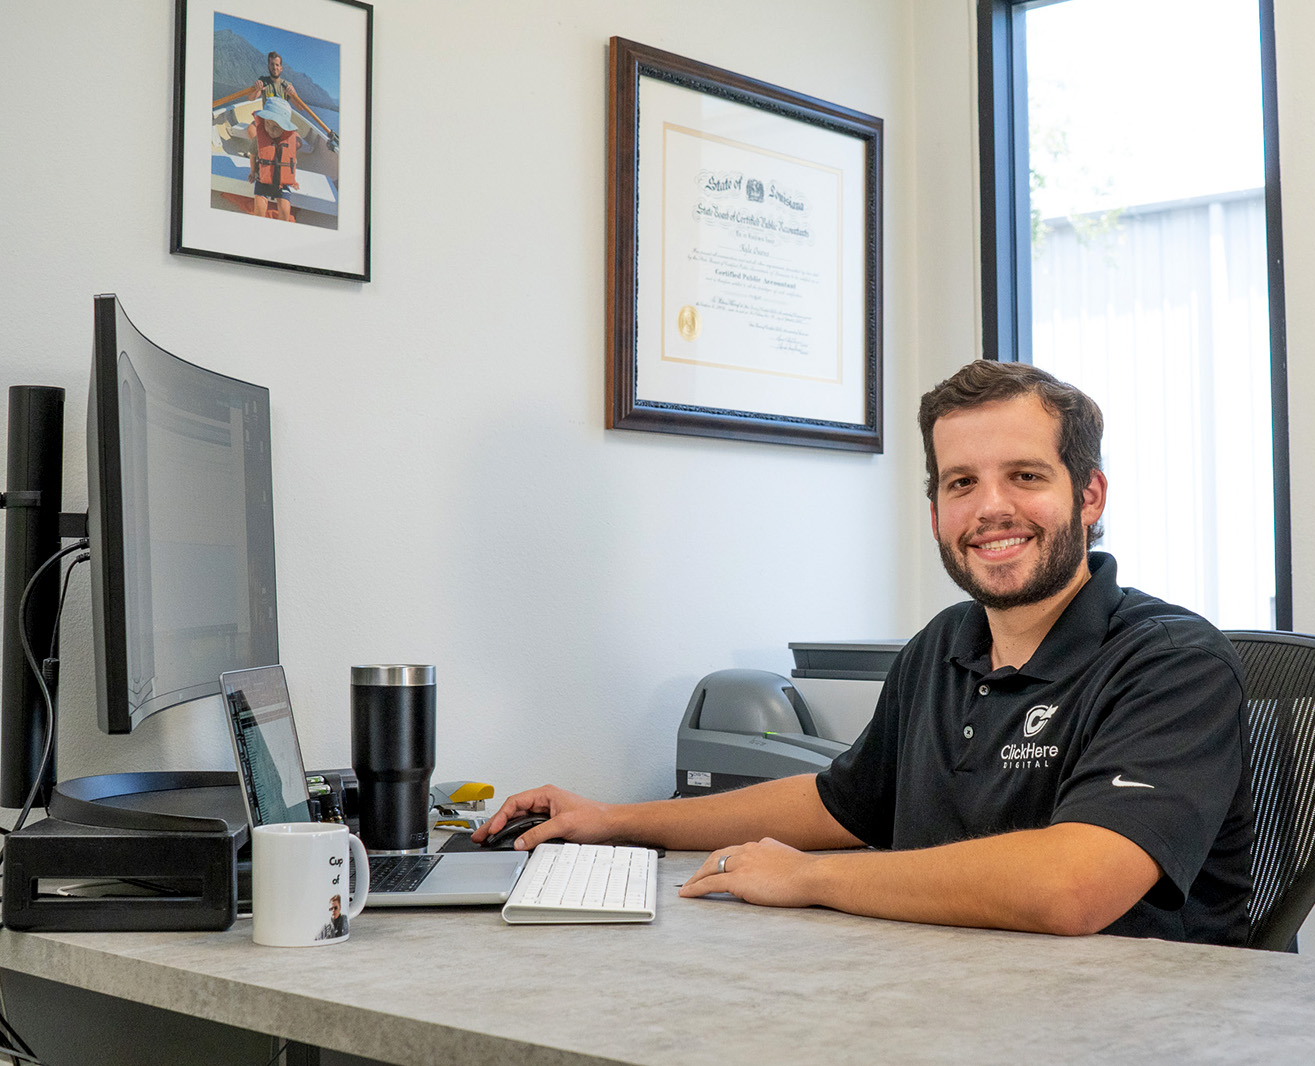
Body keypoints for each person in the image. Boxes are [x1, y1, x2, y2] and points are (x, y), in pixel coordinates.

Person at [475, 360, 1253, 944]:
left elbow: (1070, 888)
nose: (990, 509)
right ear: (934, 509)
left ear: (1090, 495)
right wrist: (617, 819)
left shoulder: (1172, 662)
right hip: (956, 1003)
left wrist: (809, 878)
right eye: (960, 483)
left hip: (1134, 1029)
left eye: (1025, 476)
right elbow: (837, 803)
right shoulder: (944, 647)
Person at [249, 96, 300, 222]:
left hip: (282, 182)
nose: (270, 130)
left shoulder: (289, 140)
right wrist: (252, 172)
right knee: (259, 207)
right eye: (267, 124)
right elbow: (253, 155)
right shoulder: (259, 139)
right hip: (263, 177)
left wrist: (293, 180)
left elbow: (293, 161)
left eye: (275, 127)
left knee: (285, 210)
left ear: (284, 127)